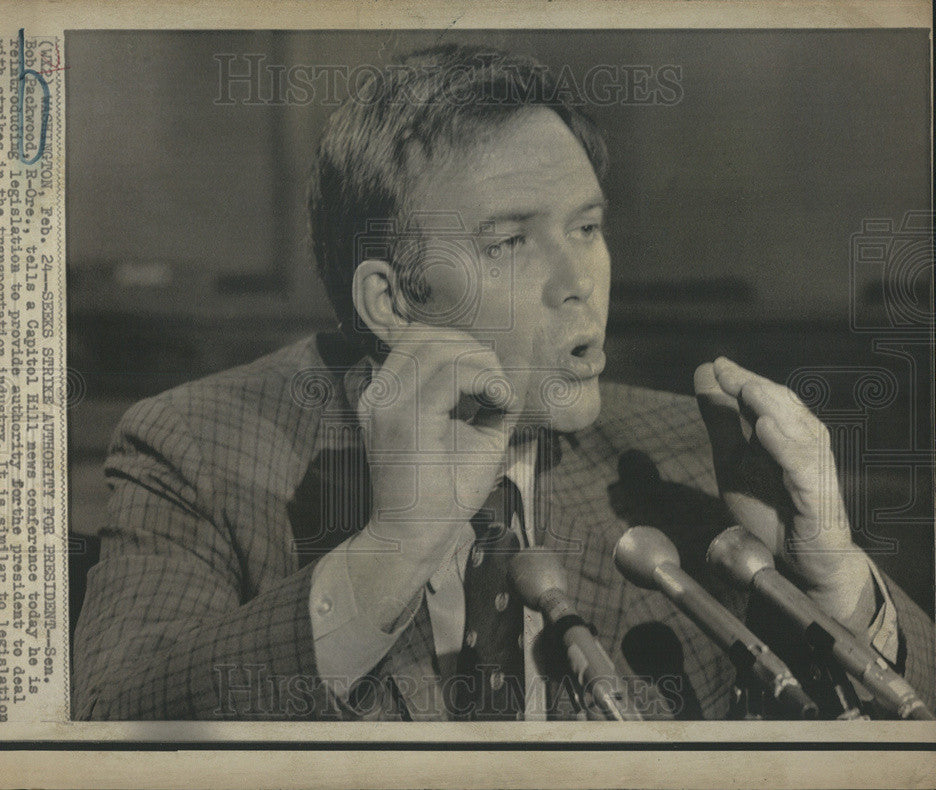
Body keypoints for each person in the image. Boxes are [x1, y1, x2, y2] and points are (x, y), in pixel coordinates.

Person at [73, 45, 934, 721]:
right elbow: (112, 721)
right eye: (510, 242)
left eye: (588, 226)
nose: (580, 279)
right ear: (392, 298)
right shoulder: (196, 446)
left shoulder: (679, 461)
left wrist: (834, 590)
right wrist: (388, 555)